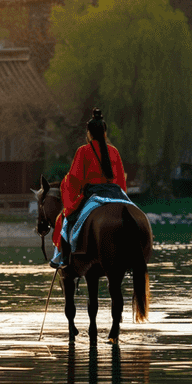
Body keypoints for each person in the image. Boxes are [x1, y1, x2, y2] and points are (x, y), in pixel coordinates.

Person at [50, 108, 127, 268]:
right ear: (105, 133)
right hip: (116, 194)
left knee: (66, 221)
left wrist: (67, 190)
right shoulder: (114, 152)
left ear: (89, 133)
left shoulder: (83, 151)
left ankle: (62, 258)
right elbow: (121, 181)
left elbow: (73, 180)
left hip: (93, 195)